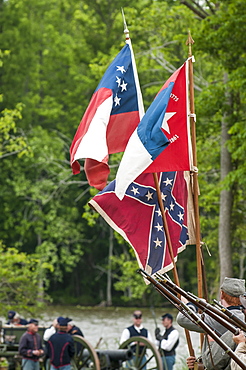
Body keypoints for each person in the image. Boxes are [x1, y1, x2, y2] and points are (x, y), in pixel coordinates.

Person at [178, 277, 245, 370]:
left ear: (221, 294)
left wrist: (191, 305)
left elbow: (182, 319)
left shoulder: (217, 318)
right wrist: (199, 362)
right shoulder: (242, 317)